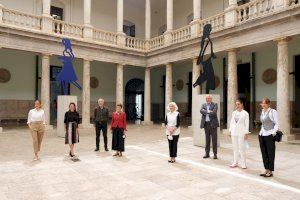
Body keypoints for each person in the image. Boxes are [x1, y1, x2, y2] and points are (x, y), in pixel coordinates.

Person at [259, 98, 279, 177]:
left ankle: (270, 171)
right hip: (262, 134)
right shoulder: (262, 111)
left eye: (265, 103)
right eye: (262, 103)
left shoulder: (273, 112)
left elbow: (277, 124)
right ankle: (266, 169)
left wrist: (273, 133)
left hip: (269, 135)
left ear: (268, 104)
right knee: (264, 153)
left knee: (270, 153)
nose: (263, 105)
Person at [229, 99, 250, 169]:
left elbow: (247, 124)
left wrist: (246, 133)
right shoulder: (234, 113)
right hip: (234, 132)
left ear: (242, 104)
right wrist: (230, 130)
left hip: (241, 133)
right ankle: (235, 162)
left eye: (239, 104)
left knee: (241, 148)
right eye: (236, 104)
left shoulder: (245, 113)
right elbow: (232, 122)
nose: (237, 106)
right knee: (235, 148)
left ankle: (243, 163)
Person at [200, 95, 219, 159]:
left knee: (214, 140)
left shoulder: (215, 104)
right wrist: (208, 111)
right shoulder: (203, 105)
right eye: (207, 98)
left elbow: (214, 112)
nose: (208, 99)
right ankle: (207, 153)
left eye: (209, 98)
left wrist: (205, 111)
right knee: (207, 140)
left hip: (213, 124)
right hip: (206, 124)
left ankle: (215, 154)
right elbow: (201, 111)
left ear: (211, 99)